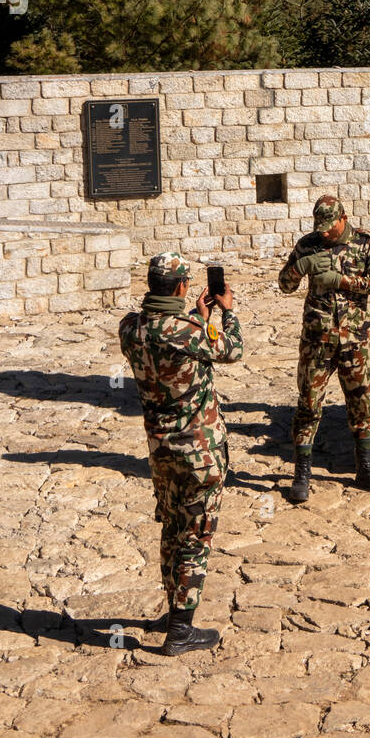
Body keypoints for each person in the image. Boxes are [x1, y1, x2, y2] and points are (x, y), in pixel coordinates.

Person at [118, 252, 243, 656]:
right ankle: (181, 631)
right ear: (180, 287)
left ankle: (173, 612)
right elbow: (231, 349)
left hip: (160, 451)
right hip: (199, 453)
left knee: (172, 528)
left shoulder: (130, 329)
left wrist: (195, 315)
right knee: (195, 536)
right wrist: (225, 313)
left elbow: (163, 333)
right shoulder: (189, 330)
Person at [278, 196, 370, 502]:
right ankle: (301, 474)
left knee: (361, 403)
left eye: (330, 227)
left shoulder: (366, 243)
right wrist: (300, 267)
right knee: (308, 405)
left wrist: (341, 280)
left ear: (343, 218)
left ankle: (365, 468)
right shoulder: (307, 244)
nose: (325, 232)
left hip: (353, 340)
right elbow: (285, 285)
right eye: (320, 227)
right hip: (317, 340)